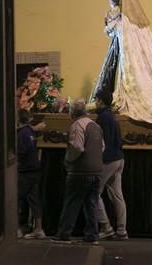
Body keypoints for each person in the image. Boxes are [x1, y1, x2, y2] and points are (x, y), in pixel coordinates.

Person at [51, 99, 105, 244]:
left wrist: (68, 160)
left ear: (72, 112)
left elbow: (77, 147)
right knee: (91, 203)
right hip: (97, 170)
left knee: (72, 202)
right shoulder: (95, 125)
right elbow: (102, 147)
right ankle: (92, 235)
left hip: (80, 171)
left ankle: (63, 234)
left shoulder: (77, 125)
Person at [94, 89, 128, 241]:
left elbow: (102, 142)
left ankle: (106, 227)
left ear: (101, 101)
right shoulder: (112, 116)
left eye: (96, 99)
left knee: (94, 193)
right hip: (119, 158)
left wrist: (99, 159)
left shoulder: (102, 117)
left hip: (109, 159)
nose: (95, 102)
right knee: (117, 196)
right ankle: (121, 230)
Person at [17, 109, 46, 239]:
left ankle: (16, 228)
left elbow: (20, 153)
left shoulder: (21, 134)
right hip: (35, 169)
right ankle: (39, 229)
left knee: (17, 198)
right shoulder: (30, 132)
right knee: (34, 200)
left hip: (25, 171)